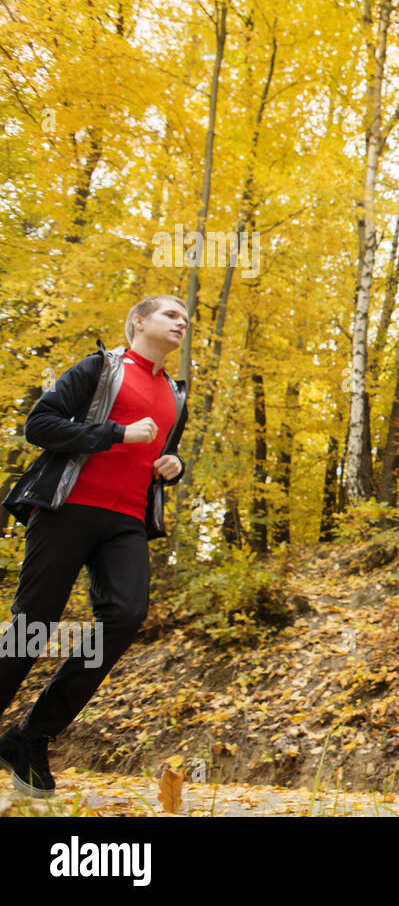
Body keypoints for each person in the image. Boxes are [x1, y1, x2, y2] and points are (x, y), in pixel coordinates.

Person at [0, 294, 190, 796]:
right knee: (34, 624)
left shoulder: (176, 393)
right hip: (67, 508)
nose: (182, 322)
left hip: (126, 520)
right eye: (171, 314)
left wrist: (174, 466)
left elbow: (161, 454)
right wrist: (115, 434)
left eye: (185, 318)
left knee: (125, 617)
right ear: (139, 322)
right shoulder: (100, 368)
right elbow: (39, 426)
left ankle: (30, 736)